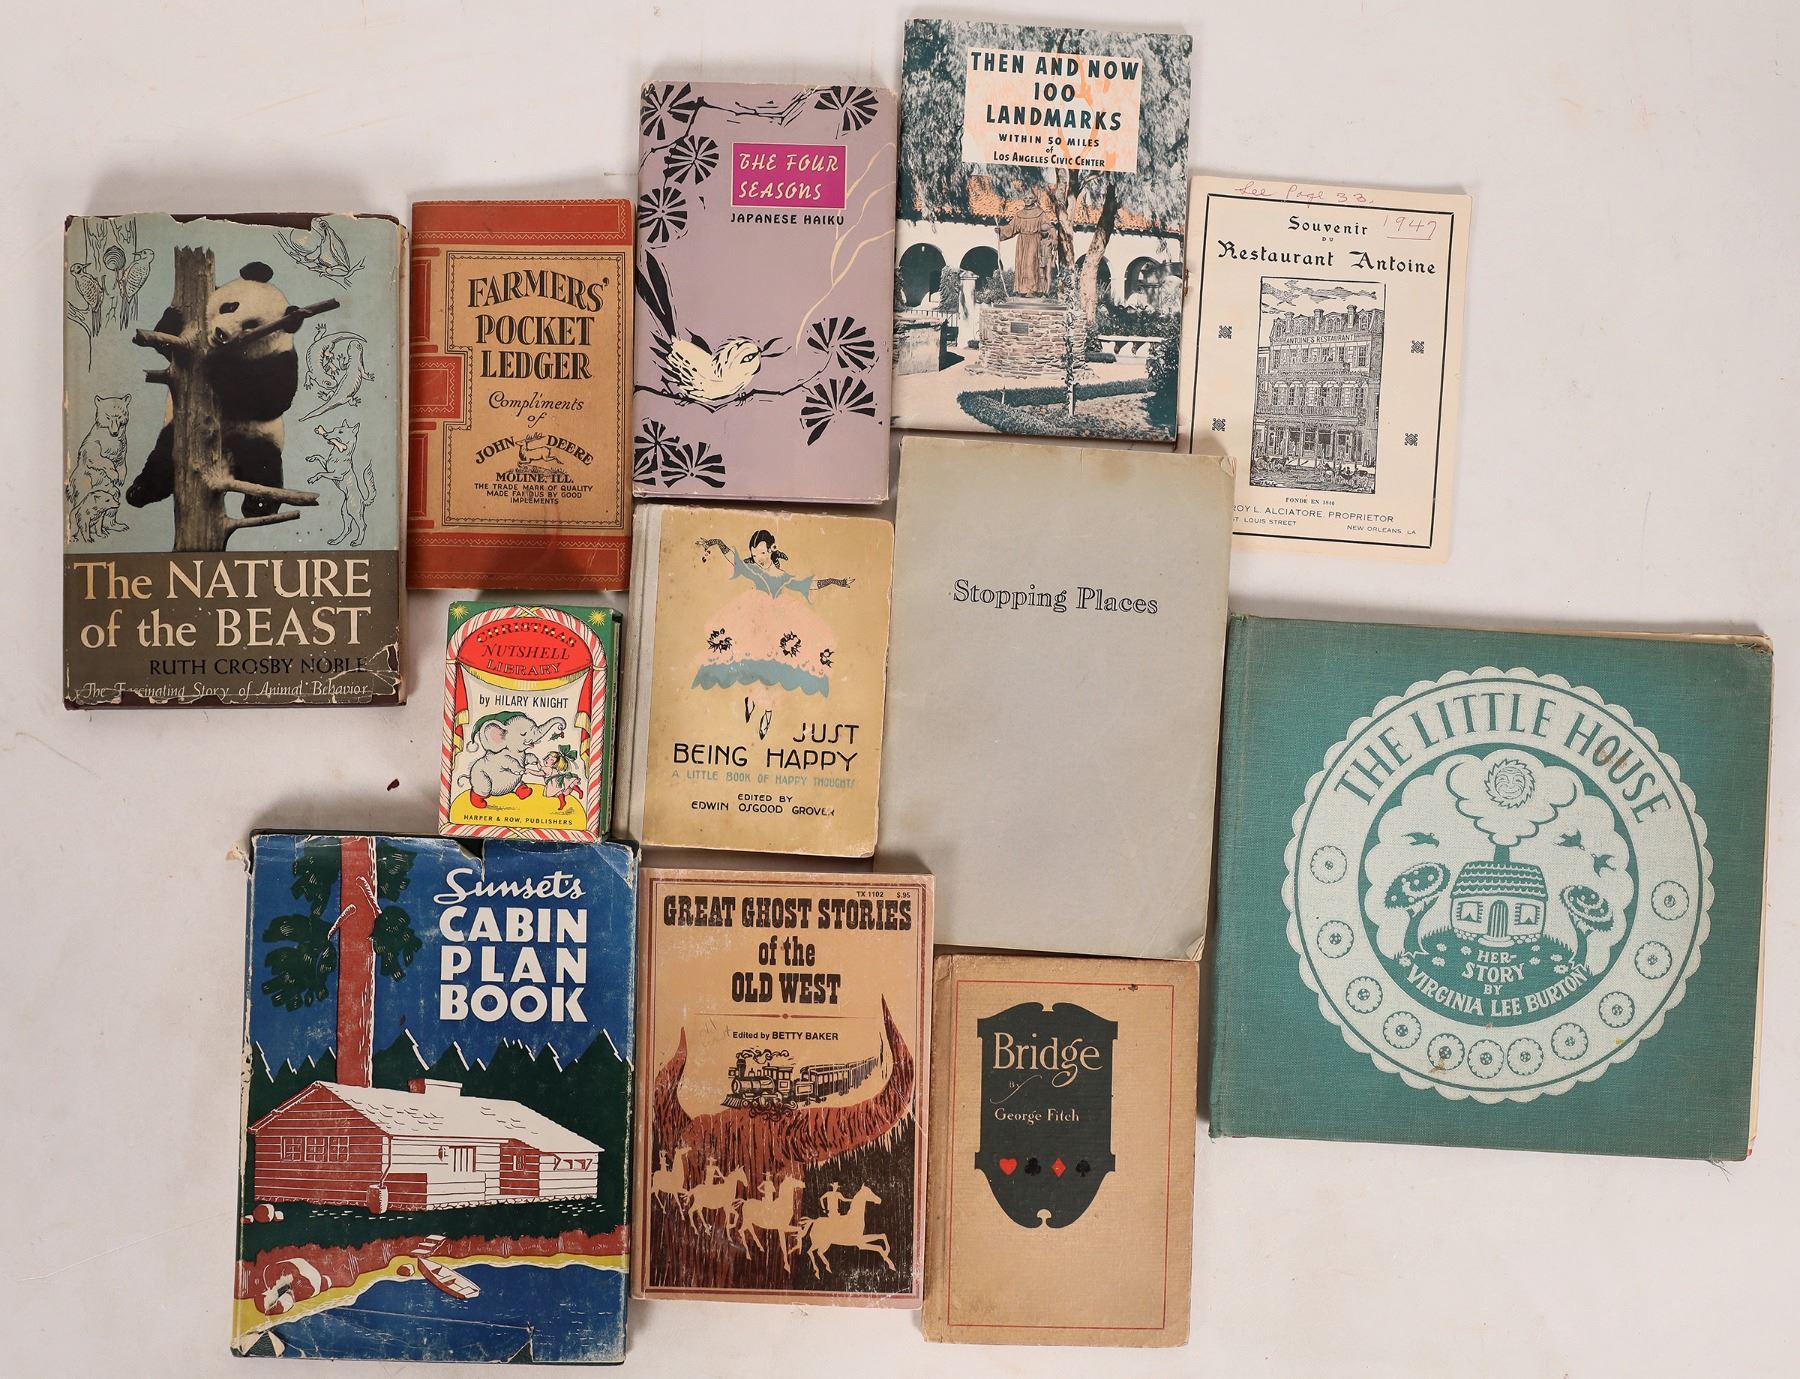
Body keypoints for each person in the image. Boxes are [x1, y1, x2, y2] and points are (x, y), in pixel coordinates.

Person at [692, 530, 854, 740]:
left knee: (779, 670)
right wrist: (715, 541)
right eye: (754, 553)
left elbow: (808, 584)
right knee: (754, 663)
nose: (759, 557)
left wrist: (838, 582)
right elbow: (733, 558)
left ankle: (768, 712)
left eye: (762, 553)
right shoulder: (753, 570)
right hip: (755, 621)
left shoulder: (783, 577)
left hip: (779, 624)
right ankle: (753, 698)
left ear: (771, 549)